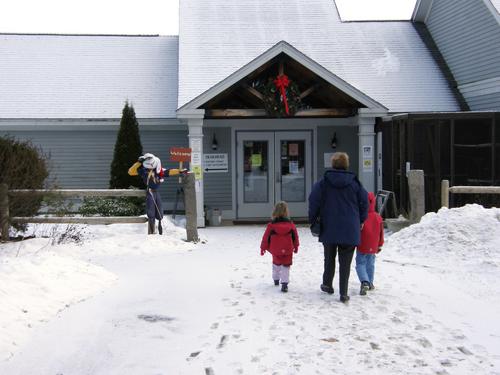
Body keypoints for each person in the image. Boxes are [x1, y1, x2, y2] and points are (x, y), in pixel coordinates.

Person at [308, 152, 368, 303]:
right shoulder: (355, 183)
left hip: (329, 226)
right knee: (345, 262)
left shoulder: (323, 182)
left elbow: (313, 200)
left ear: (332, 164)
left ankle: (327, 284)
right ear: (347, 164)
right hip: (350, 228)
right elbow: (364, 202)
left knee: (329, 257)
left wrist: (313, 219)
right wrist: (361, 219)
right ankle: (343, 292)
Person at [128, 153, 187, 235]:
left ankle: (159, 226)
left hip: (156, 191)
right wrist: (138, 163)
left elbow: (169, 171)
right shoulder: (143, 170)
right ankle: (151, 229)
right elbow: (131, 172)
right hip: (150, 191)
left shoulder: (159, 171)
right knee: (151, 210)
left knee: (159, 210)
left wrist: (179, 171)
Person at [260, 201, 300, 293]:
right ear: (286, 212)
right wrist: (296, 246)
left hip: (275, 249)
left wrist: (263, 247)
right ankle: (285, 284)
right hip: (288, 249)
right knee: (286, 266)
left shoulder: (271, 226)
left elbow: (266, 237)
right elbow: (295, 236)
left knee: (276, 264)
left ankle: (276, 279)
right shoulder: (291, 225)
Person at [356, 192, 384, 295]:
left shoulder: (360, 217)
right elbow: (381, 233)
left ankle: (364, 281)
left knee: (360, 264)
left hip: (362, 245)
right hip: (373, 246)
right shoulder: (378, 217)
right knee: (370, 264)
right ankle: (370, 282)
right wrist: (380, 244)